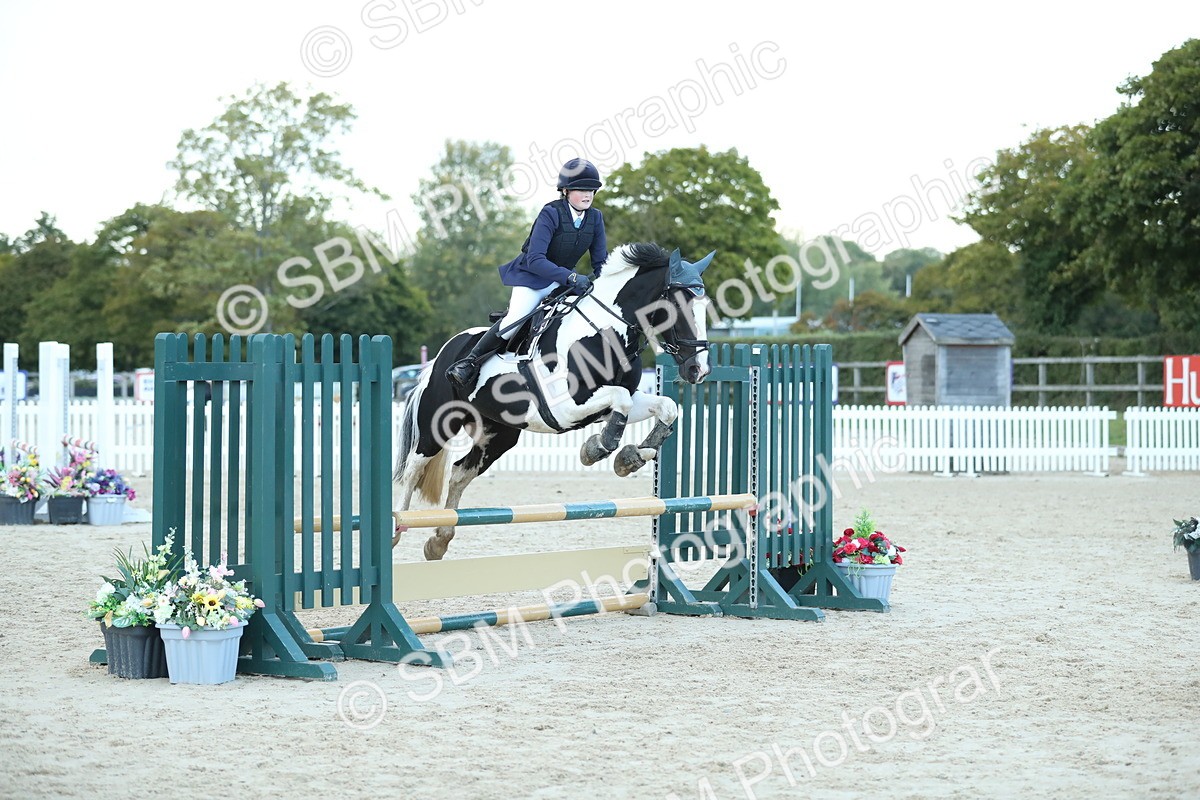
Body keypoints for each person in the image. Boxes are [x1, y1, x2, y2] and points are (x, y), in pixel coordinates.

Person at [446, 157, 609, 390]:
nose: (588, 195)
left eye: (592, 190)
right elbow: (535, 259)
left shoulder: (596, 218)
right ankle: (470, 362)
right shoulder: (550, 213)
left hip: (564, 281)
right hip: (533, 278)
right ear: (565, 190)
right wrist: (571, 277)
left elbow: (601, 262)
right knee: (514, 321)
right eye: (581, 189)